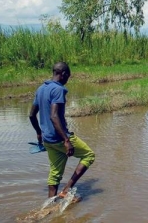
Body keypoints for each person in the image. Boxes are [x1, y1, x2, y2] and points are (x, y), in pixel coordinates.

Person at [29, 62, 95, 199]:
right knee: (89, 155)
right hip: (59, 138)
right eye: (68, 77)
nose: (67, 80)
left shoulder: (41, 89)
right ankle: (66, 190)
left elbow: (31, 115)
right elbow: (54, 116)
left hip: (48, 140)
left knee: (55, 173)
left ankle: (49, 204)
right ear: (63, 74)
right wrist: (66, 140)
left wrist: (39, 132)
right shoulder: (58, 89)